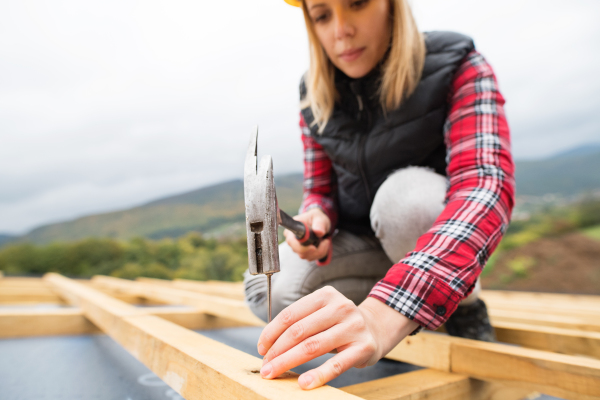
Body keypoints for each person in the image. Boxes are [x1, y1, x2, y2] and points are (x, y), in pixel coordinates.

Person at [244, 0, 515, 390]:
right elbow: (320, 189)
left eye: (356, 3)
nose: (340, 30)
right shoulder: (314, 92)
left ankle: (463, 306)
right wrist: (316, 215)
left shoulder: (457, 64)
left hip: (432, 235)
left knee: (404, 203)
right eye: (322, 15)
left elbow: (486, 188)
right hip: (366, 246)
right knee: (268, 291)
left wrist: (382, 314)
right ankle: (415, 302)